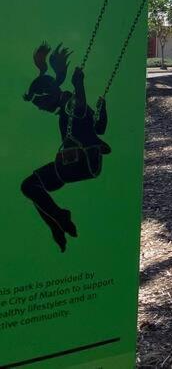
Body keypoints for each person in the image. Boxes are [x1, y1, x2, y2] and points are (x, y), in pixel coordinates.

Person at [21, 43, 111, 252]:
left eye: (40, 105)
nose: (42, 110)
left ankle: (59, 218)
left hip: (77, 164)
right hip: (89, 163)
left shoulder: (70, 105)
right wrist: (102, 110)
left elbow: (79, 106)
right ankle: (56, 227)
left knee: (28, 186)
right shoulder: (67, 107)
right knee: (36, 189)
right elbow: (100, 128)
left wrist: (79, 84)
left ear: (49, 94)